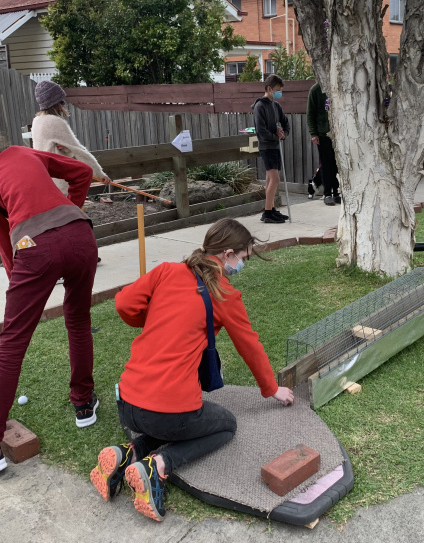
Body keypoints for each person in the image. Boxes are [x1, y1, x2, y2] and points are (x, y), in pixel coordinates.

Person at [89, 218, 295, 521]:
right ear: (227, 254)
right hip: (167, 414)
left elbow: (123, 303)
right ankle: (158, 466)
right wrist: (272, 389)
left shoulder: (166, 271)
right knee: (225, 425)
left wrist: (153, 323)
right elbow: (249, 345)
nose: (242, 264)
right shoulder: (224, 294)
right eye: (243, 258)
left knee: (165, 419)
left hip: (127, 404)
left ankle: (127, 453)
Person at [0, 120, 100, 476]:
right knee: (77, 319)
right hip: (81, 235)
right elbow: (81, 172)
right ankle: (83, 403)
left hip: (35, 249)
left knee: (12, 343)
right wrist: (67, 212)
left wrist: (18, 282)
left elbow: (6, 244)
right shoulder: (23, 152)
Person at [31, 80, 112, 195]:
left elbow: (49, 149)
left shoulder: (37, 121)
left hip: (44, 179)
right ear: (56, 101)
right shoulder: (54, 122)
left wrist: (65, 149)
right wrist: (100, 174)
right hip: (58, 182)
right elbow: (79, 150)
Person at [251, 74, 290, 224]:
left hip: (275, 146)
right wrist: (275, 136)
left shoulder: (276, 106)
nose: (279, 93)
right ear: (269, 89)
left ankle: (271, 209)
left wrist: (283, 135)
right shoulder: (260, 106)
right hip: (266, 147)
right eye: (277, 90)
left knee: (269, 179)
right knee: (275, 179)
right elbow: (260, 130)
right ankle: (267, 213)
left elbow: (285, 124)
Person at [306, 81, 341, 206]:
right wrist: (313, 133)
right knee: (326, 164)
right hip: (323, 133)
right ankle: (327, 194)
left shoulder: (337, 85)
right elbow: (310, 114)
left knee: (337, 164)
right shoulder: (315, 90)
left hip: (338, 133)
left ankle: (336, 192)